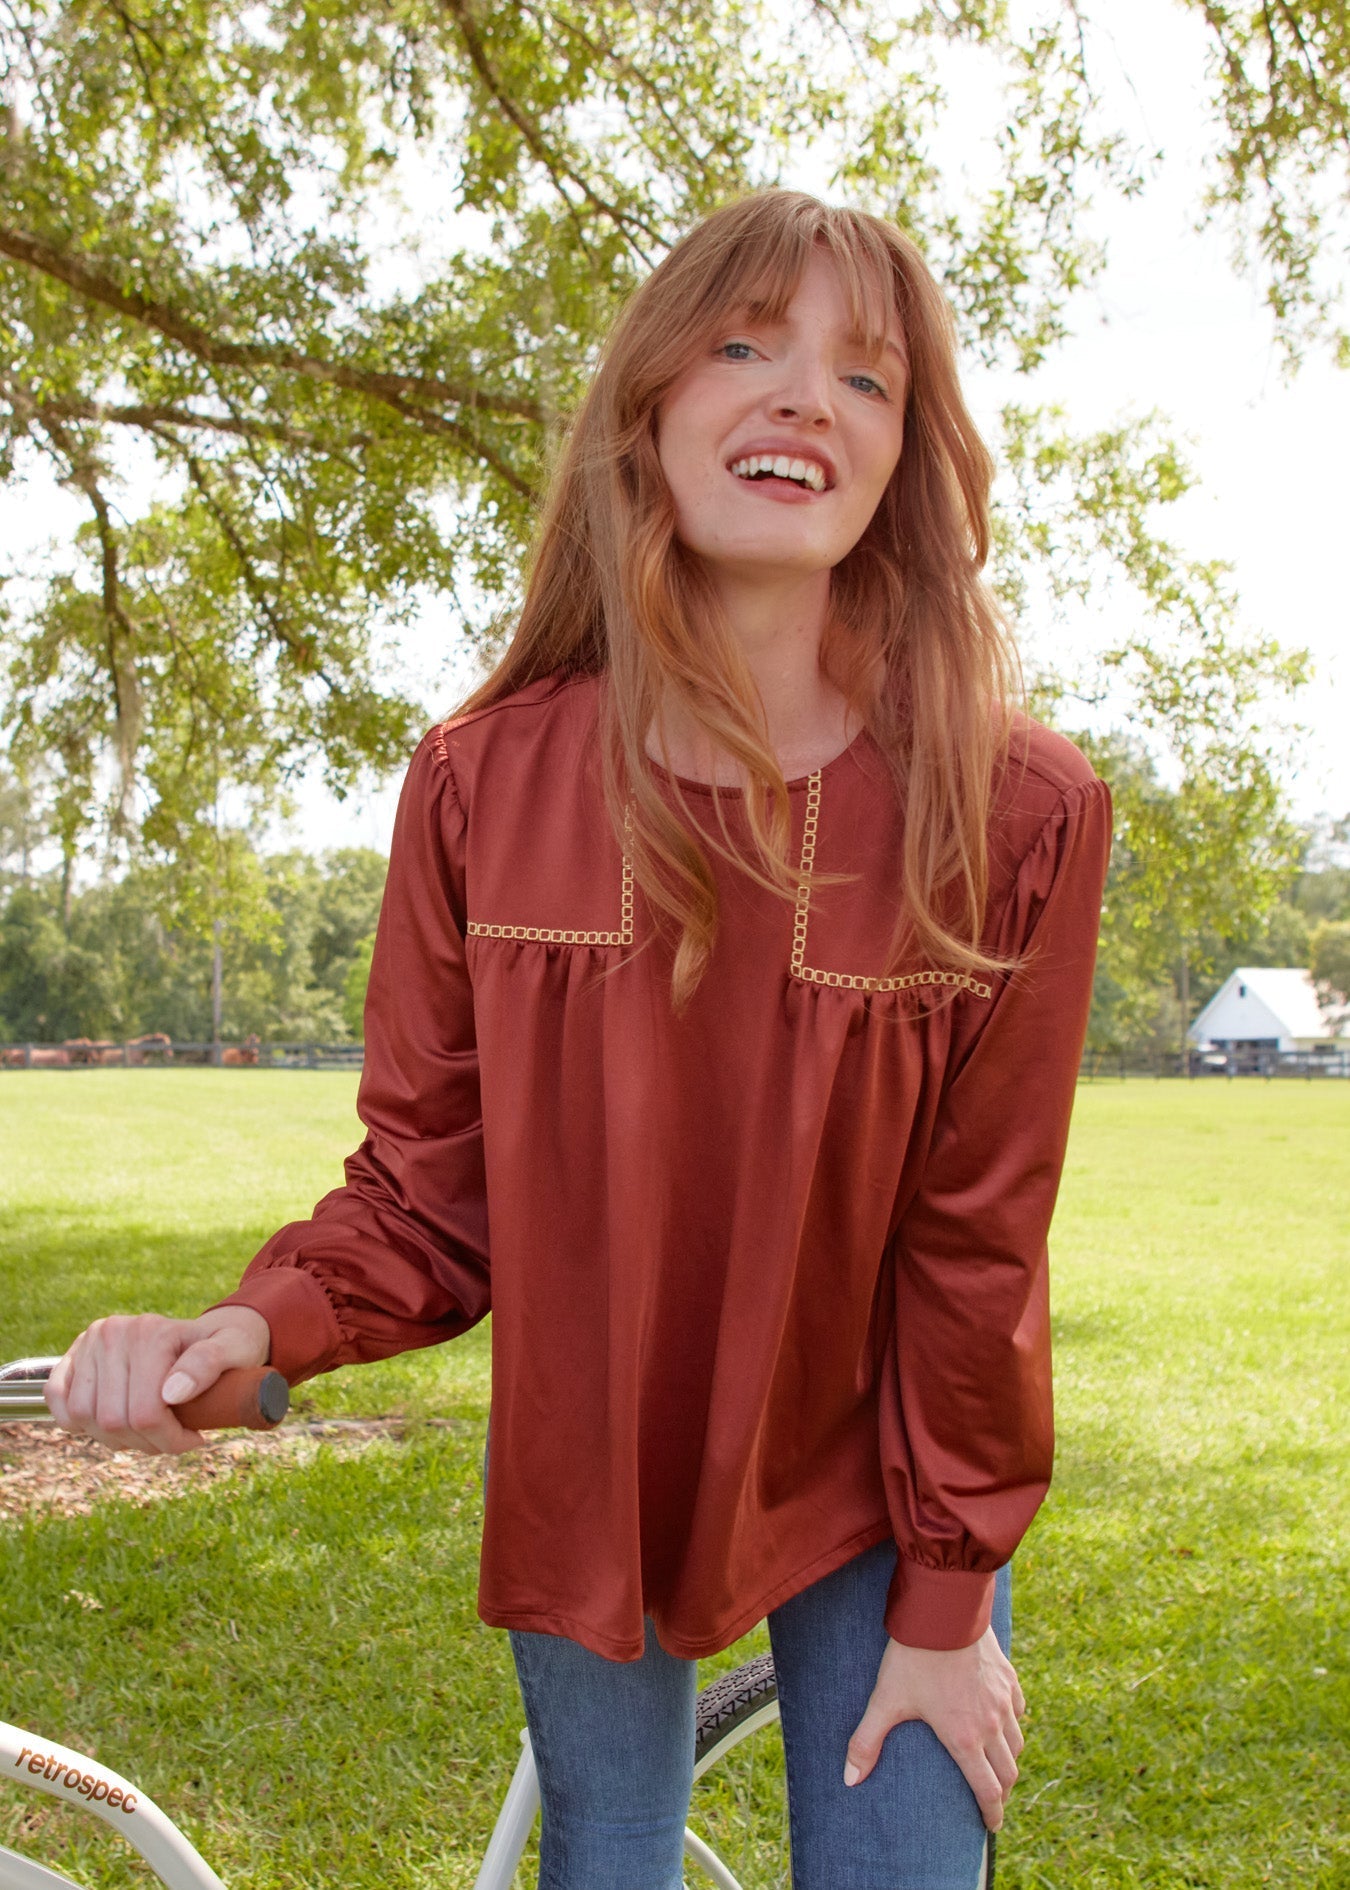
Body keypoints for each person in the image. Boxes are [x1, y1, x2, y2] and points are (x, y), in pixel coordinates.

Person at [46, 190, 1112, 1890]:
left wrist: (948, 1600)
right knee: (606, 1855)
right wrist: (243, 1327)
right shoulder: (483, 781)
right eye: (743, 346)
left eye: (865, 376)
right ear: (648, 412)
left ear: (904, 452)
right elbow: (427, 1186)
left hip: (883, 1475)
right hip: (594, 1470)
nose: (800, 398)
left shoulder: (1015, 807)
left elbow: (977, 1245)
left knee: (904, 1863)